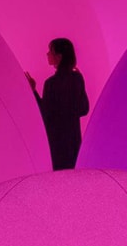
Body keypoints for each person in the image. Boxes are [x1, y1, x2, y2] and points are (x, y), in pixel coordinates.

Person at [25, 38, 89, 170]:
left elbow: (45, 114)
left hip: (56, 142)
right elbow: (84, 108)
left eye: (50, 51)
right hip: (73, 141)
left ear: (59, 57)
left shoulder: (51, 83)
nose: (47, 54)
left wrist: (33, 91)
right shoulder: (77, 78)